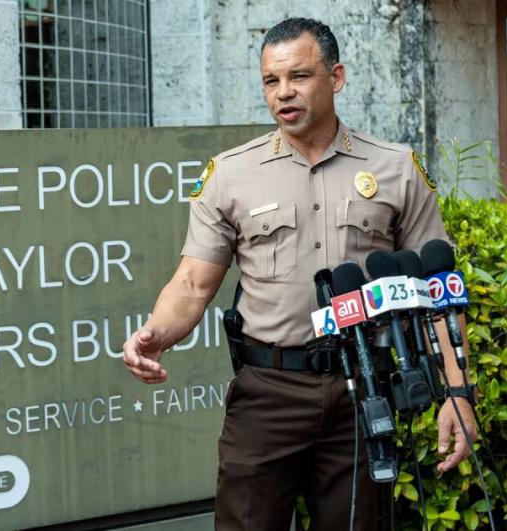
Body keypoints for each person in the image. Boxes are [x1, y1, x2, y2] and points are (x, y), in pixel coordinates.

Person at [122, 17, 478, 530]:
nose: (283, 93)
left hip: (363, 390)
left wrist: (459, 393)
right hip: (268, 392)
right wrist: (157, 335)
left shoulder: (396, 168)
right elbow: (192, 283)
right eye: (271, 80)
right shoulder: (231, 175)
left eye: (299, 77)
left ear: (336, 77)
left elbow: (438, 291)